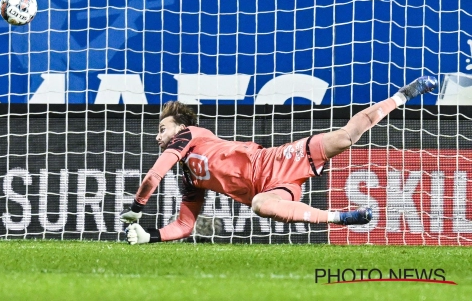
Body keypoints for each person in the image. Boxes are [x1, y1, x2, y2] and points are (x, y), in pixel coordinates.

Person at [120, 76, 437, 245]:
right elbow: (185, 225)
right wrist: (151, 234)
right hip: (275, 189)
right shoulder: (189, 179)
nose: (158, 136)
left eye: (162, 129)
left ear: (178, 127)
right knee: (260, 204)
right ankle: (341, 218)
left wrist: (136, 209)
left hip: (274, 162)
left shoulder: (188, 134)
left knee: (344, 137)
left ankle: (402, 96)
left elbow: (153, 176)